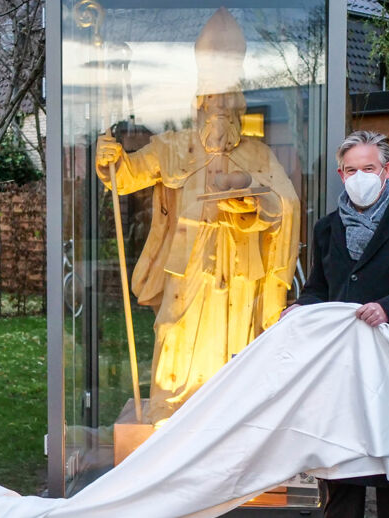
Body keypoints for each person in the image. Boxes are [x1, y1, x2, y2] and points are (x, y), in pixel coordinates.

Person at [93, 7, 300, 425]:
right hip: (187, 263)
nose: (220, 109)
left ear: (239, 103)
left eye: (228, 100)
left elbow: (287, 204)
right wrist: (110, 160)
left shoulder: (257, 153)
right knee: (175, 332)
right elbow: (129, 175)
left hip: (239, 266)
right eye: (213, 100)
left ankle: (227, 415)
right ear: (200, 102)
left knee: (231, 339)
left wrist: (255, 199)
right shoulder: (172, 146)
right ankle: (171, 409)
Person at [283, 130, 389, 518]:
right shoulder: (327, 228)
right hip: (342, 377)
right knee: (342, 485)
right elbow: (319, 288)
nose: (359, 175)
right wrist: (302, 309)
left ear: (387, 170)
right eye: (350, 169)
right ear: (341, 175)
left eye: (369, 167)